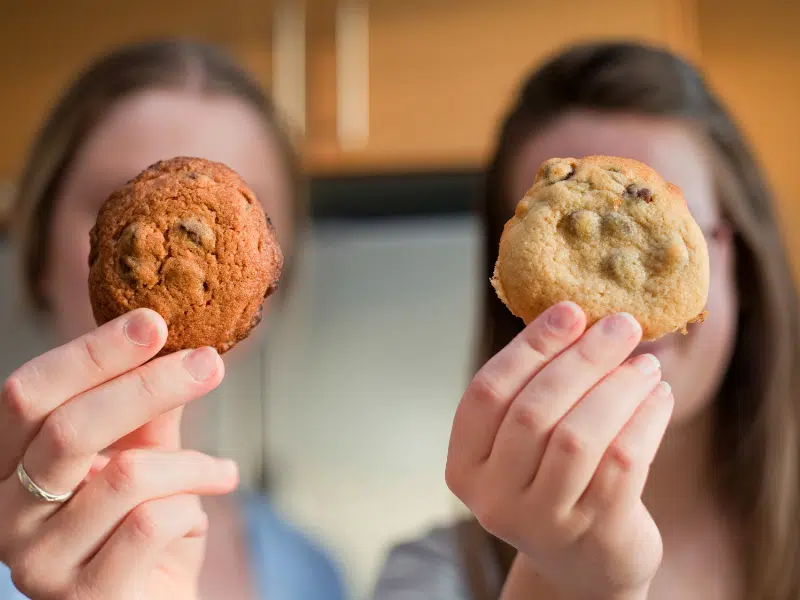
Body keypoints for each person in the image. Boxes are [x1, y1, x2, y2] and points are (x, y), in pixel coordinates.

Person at [373, 42, 800, 600]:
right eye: (572, 234)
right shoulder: (432, 576)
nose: (616, 317)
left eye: (672, 230)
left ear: (741, 257)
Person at [0, 40, 345, 600]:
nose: (183, 250)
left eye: (247, 216)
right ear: (41, 250)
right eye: (120, 196)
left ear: (269, 284)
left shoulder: (311, 574)